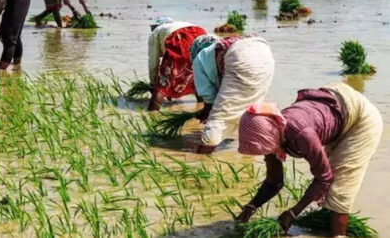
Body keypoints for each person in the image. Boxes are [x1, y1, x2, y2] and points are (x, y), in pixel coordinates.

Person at [235, 82, 383, 236]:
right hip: (337, 102)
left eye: (266, 148)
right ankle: (325, 224)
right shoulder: (271, 131)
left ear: (270, 136)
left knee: (340, 188)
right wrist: (251, 207)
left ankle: (339, 234)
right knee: (330, 187)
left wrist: (293, 213)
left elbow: (324, 177)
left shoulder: (301, 134)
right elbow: (274, 181)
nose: (266, 153)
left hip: (361, 119)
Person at [190, 35, 275, 154]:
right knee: (251, 109)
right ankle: (250, 154)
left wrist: (206, 113)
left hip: (241, 56)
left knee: (218, 118)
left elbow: (209, 97)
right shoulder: (218, 48)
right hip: (265, 53)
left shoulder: (199, 59)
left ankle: (201, 159)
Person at [147, 17, 207, 111]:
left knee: (162, 85)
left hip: (178, 37)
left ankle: (151, 114)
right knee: (197, 77)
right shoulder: (181, 24)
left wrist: (153, 83)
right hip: (201, 35)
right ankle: (203, 109)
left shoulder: (156, 32)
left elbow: (153, 61)